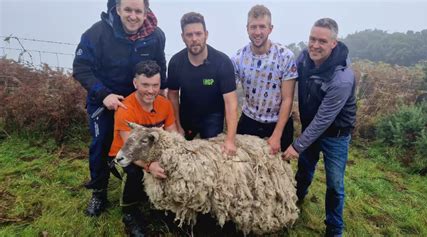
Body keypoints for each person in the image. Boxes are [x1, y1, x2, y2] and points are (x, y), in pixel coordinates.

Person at [73, 0, 167, 217]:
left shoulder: (156, 35)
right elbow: (81, 67)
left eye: (138, 11)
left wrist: (160, 93)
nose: (133, 16)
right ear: (117, 9)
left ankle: (142, 186)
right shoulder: (96, 34)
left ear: (146, 12)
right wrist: (103, 94)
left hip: (139, 100)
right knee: (101, 143)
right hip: (104, 98)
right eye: (128, 10)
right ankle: (98, 192)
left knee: (145, 143)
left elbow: (160, 64)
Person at [282, 18, 356, 237]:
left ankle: (334, 229)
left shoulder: (342, 78)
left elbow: (324, 119)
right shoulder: (304, 59)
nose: (314, 45)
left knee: (334, 184)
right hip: (309, 128)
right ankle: (295, 202)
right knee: (304, 171)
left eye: (322, 41)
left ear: (333, 43)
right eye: (312, 39)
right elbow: (286, 81)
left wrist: (297, 145)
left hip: (336, 135)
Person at [108, 60, 176, 236]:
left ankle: (161, 206)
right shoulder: (125, 109)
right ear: (135, 83)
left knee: (171, 166)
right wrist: (149, 166)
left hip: (152, 152)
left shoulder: (165, 104)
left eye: (155, 85)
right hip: (124, 155)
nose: (151, 90)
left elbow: (173, 135)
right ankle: (129, 212)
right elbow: (130, 150)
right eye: (145, 85)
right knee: (134, 173)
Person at [167, 12, 238, 156]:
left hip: (212, 116)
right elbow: (172, 95)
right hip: (186, 115)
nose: (194, 39)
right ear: (183, 37)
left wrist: (230, 139)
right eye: (189, 35)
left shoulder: (222, 62)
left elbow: (231, 103)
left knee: (212, 157)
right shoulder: (176, 62)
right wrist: (177, 126)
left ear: (206, 34)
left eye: (198, 34)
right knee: (181, 156)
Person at [231, 5, 297, 155]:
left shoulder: (285, 56)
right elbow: (230, 96)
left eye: (262, 27)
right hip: (250, 120)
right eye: (253, 27)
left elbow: (287, 99)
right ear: (247, 28)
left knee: (278, 171)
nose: (257, 32)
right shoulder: (237, 59)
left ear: (270, 28)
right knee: (244, 169)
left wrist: (276, 135)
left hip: (278, 122)